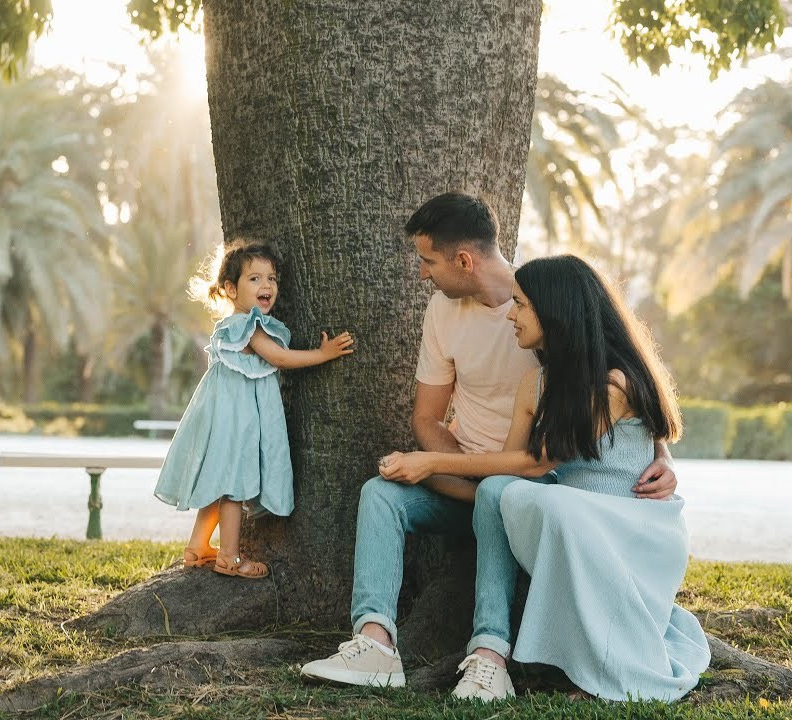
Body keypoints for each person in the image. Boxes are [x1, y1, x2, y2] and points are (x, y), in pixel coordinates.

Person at [299, 193, 678, 688]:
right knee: (381, 493)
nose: (421, 274)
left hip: (533, 488)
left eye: (428, 261)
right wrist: (445, 471)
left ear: (464, 260)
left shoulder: (544, 298)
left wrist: (662, 453)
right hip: (482, 482)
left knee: (500, 492)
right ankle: (375, 644)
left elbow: (612, 407)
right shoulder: (472, 327)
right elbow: (430, 419)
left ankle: (490, 653)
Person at [377, 255, 710, 702]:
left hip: (630, 529)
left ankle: (590, 668)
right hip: (570, 523)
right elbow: (508, 466)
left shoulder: (616, 384)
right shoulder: (534, 385)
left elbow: (536, 464)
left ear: (555, 311)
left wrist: (432, 461)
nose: (511, 316)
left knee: (542, 498)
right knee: (497, 490)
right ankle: (489, 650)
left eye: (521, 305)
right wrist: (425, 477)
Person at [153, 240, 355, 579]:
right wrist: (324, 354)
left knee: (221, 483)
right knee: (235, 485)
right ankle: (229, 557)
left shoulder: (233, 324)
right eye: (255, 278)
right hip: (237, 420)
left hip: (223, 417)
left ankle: (197, 547)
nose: (267, 285)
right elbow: (279, 358)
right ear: (231, 289)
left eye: (272, 278)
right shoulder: (248, 326)